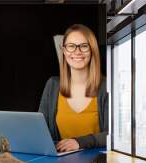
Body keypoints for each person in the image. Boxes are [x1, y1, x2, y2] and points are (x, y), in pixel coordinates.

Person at [39, 24, 108, 152]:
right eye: (71, 46)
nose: (77, 51)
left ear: (92, 50)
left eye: (84, 46)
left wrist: (80, 142)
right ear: (64, 51)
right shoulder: (52, 85)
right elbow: (39, 130)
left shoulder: (106, 86)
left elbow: (115, 135)